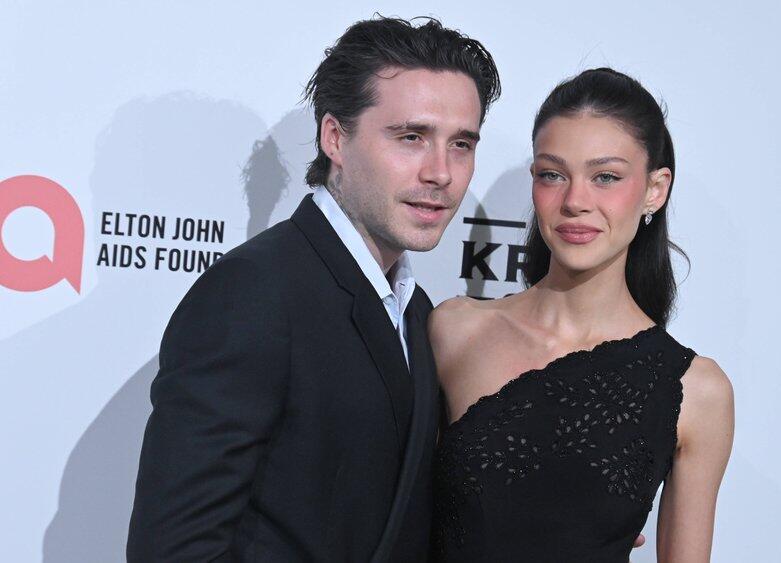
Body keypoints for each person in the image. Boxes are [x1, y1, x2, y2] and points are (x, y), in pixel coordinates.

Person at [126, 17, 500, 562]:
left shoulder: (416, 312)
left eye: (461, 144)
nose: (440, 172)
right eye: (411, 137)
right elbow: (174, 549)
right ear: (335, 138)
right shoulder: (252, 294)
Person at [429, 68, 734, 562]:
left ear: (655, 190)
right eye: (552, 174)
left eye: (606, 177)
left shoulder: (697, 391)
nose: (574, 202)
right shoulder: (453, 330)